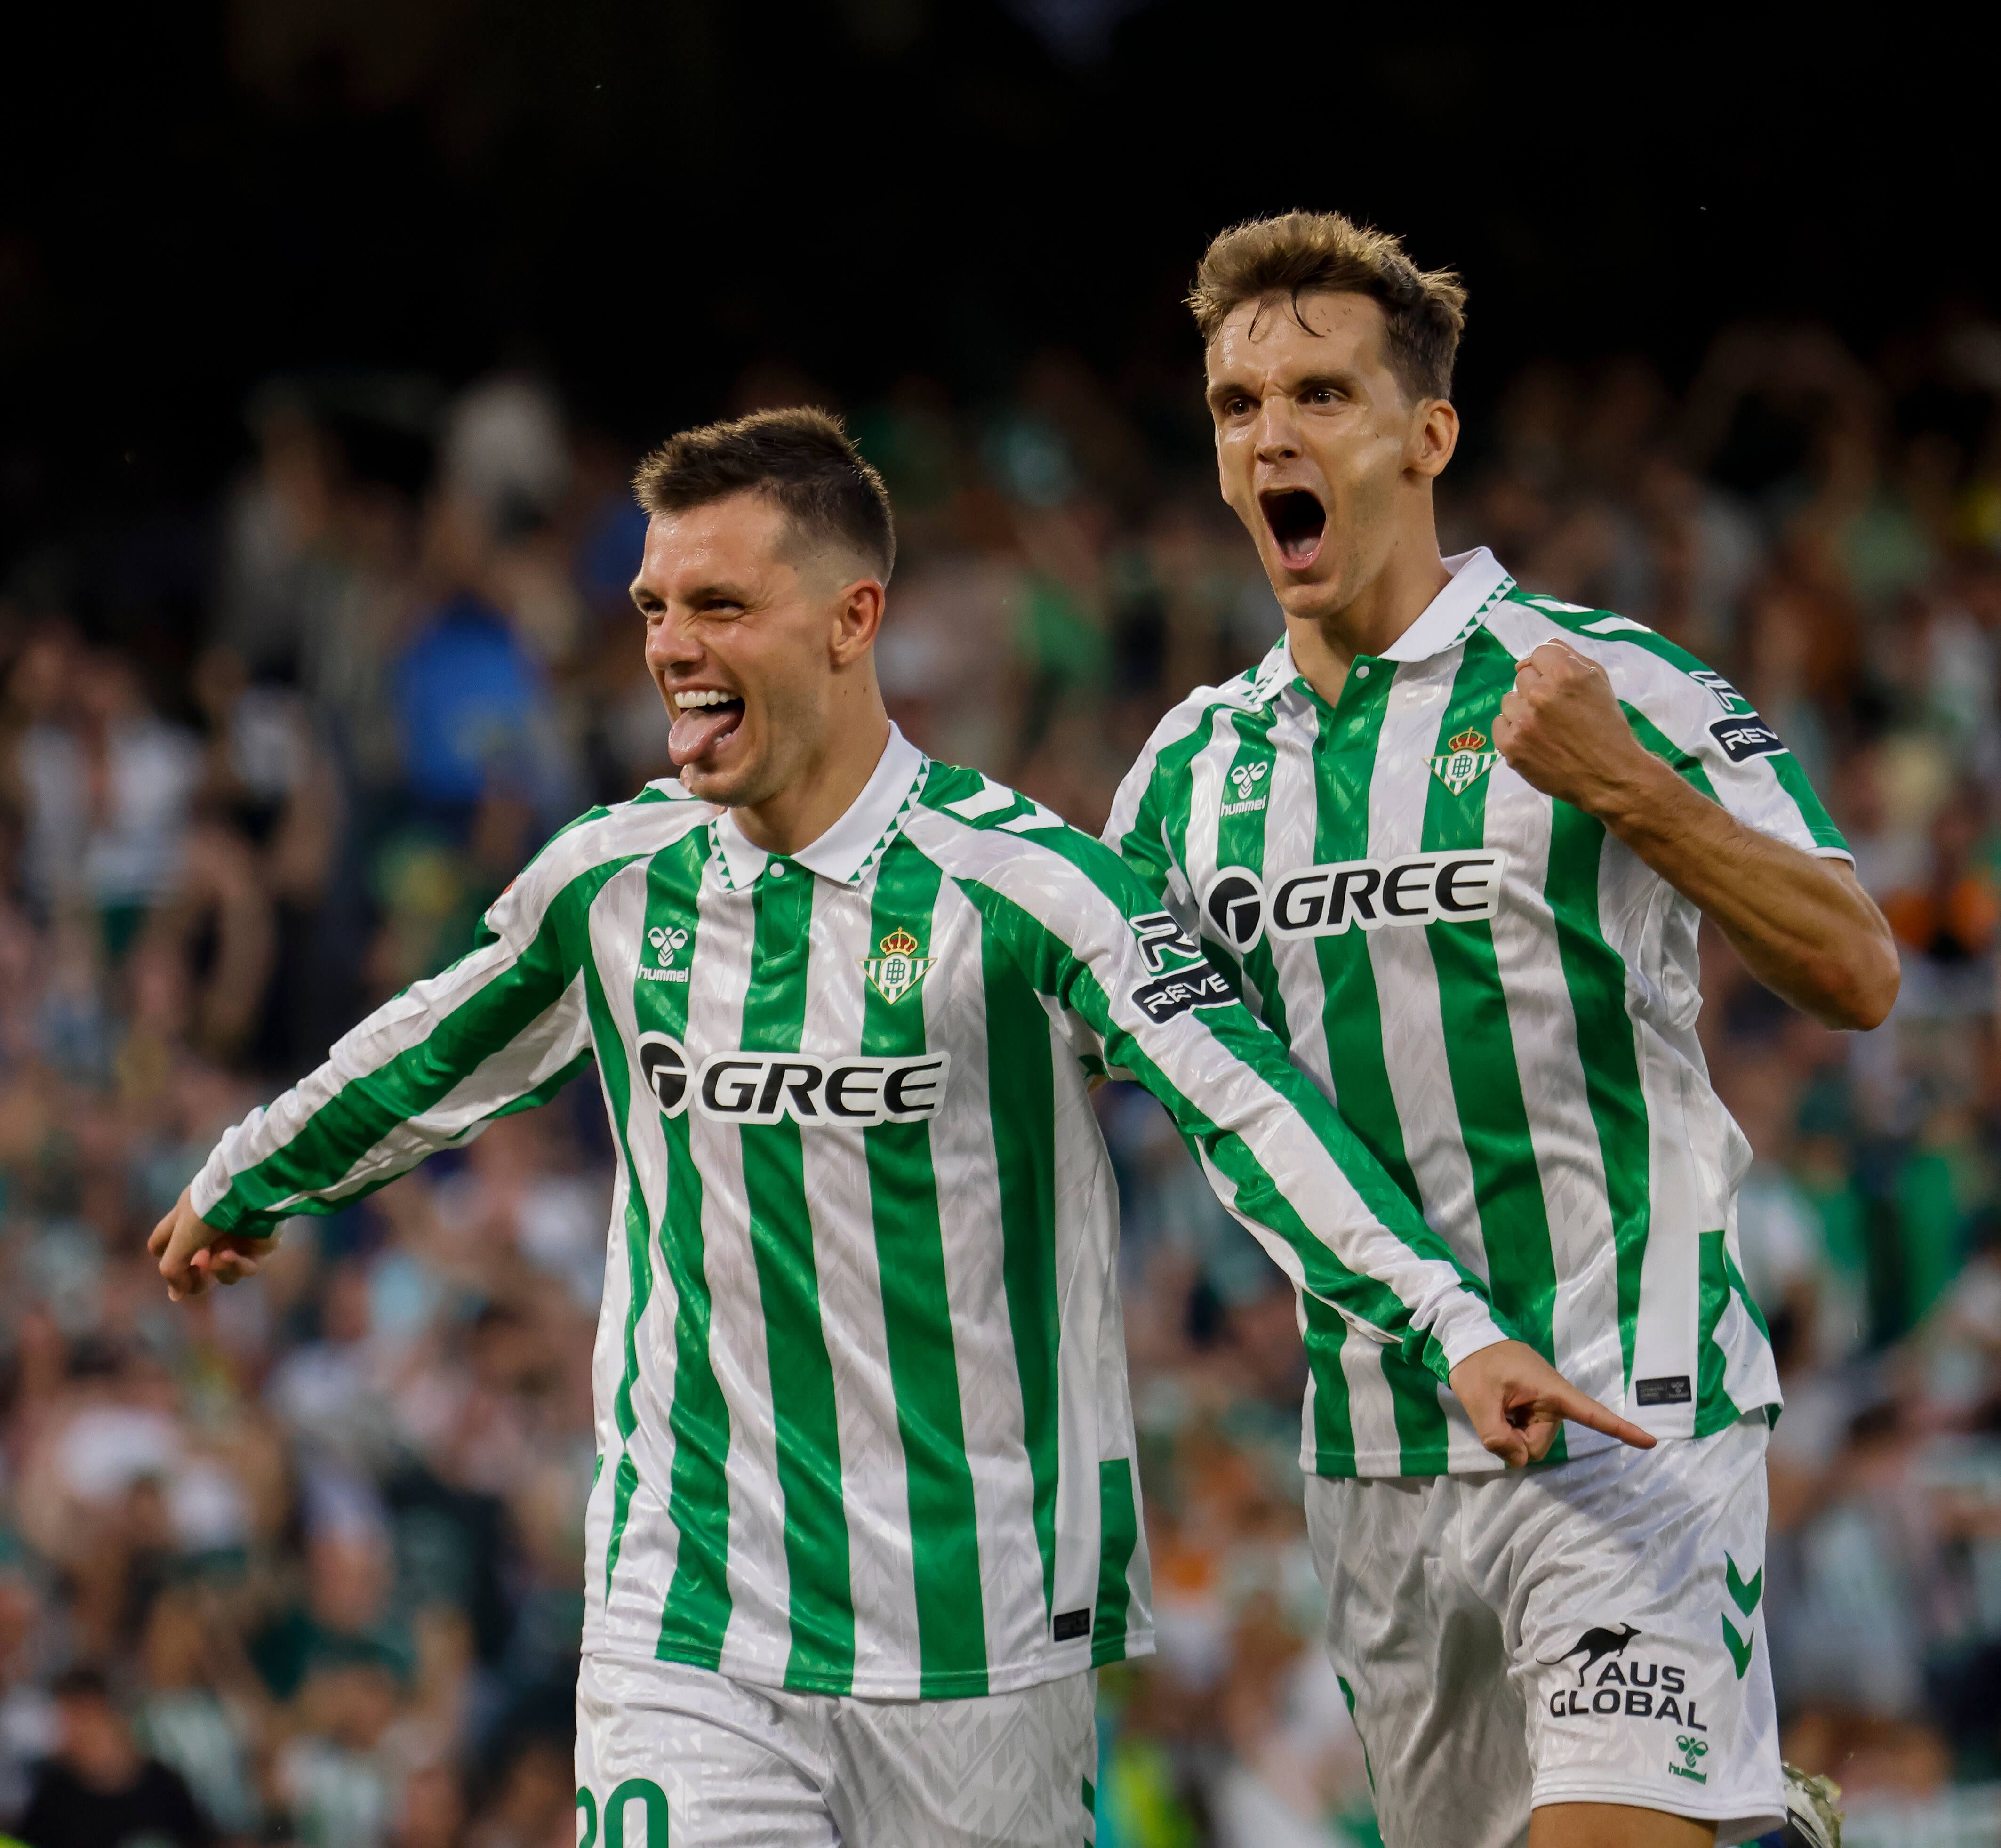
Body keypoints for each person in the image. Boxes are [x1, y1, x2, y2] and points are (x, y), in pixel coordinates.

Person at [150, 409, 1640, 1848]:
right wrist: (243, 1178)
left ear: (850, 619)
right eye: (655, 605)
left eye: (720, 605)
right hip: (692, 1609)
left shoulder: (1031, 890)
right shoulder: (614, 881)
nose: (669, 645)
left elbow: (1247, 1105)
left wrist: (1447, 1325)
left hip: (982, 1630)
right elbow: (428, 1046)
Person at [1103, 211, 1897, 1848]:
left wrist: (1633, 792)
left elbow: (1856, 966)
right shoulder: (1182, 775)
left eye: (1320, 393)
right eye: (1238, 405)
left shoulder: (1611, 679)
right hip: (1375, 1450)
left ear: (1428, 435)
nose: (1270, 436)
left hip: (1629, 1398)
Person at [15, 1667, 212, 1848]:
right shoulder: (54, 1797)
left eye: (83, 1718)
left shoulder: (166, 1787)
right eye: (65, 1720)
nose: (73, 1732)